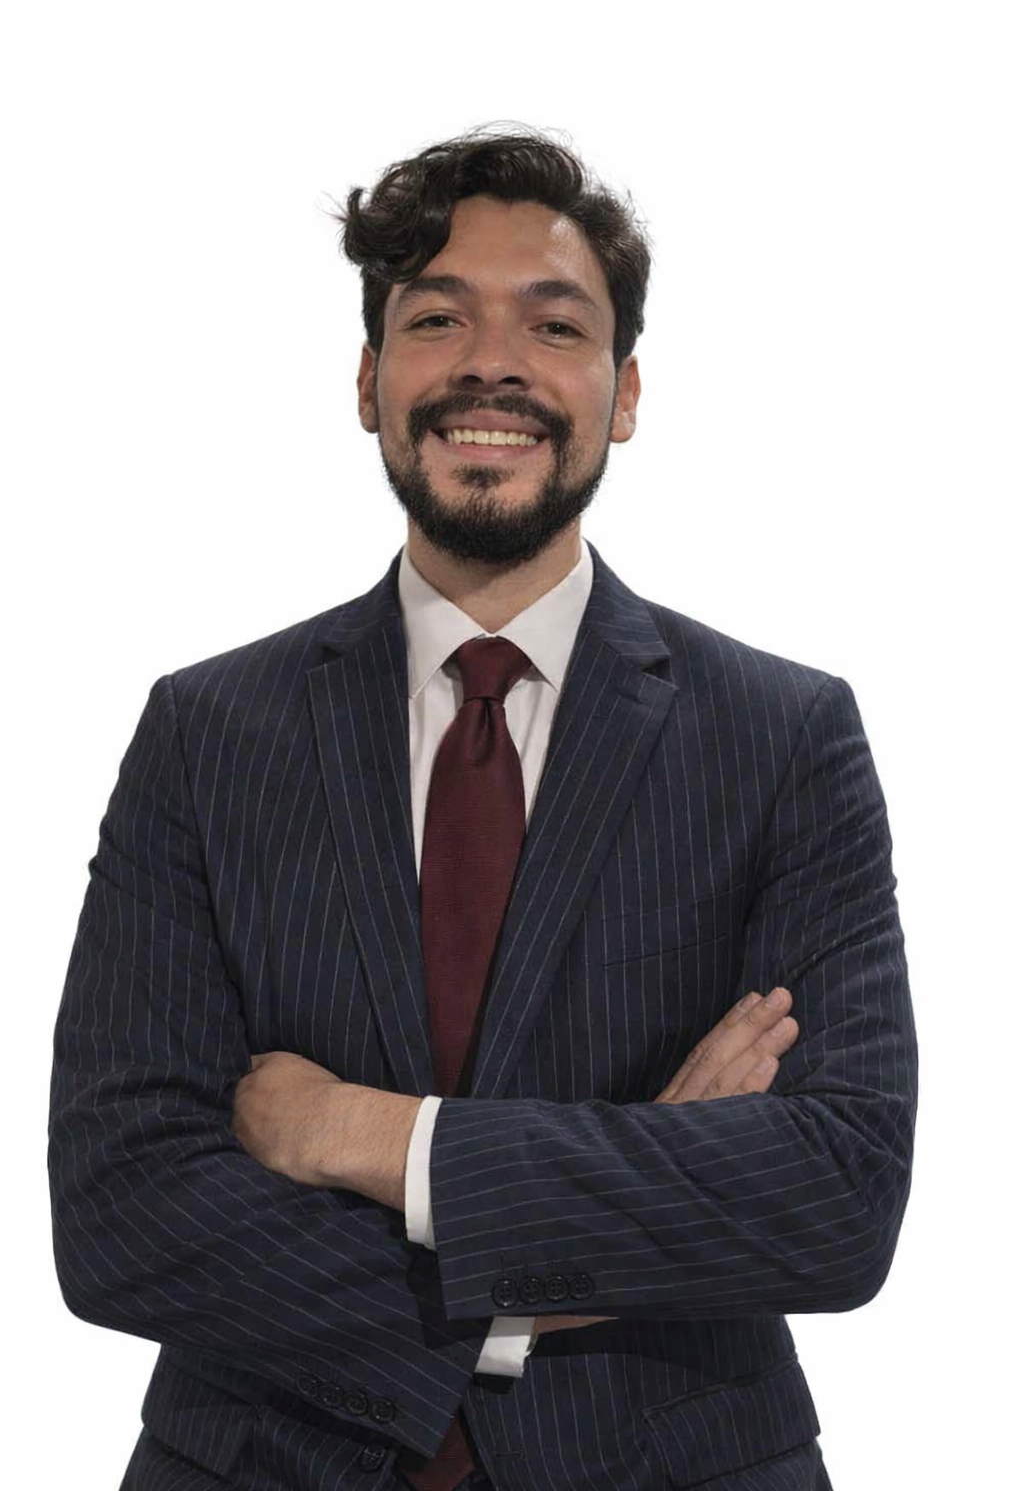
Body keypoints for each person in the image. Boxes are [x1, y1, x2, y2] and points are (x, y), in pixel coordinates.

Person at [47, 124, 917, 1491]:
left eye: (554, 325)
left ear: (625, 393)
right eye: (437, 318)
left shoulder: (783, 736)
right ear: (369, 381)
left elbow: (834, 1195)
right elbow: (120, 1211)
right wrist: (564, 1266)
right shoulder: (206, 733)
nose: (491, 364)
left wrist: (365, 1137)